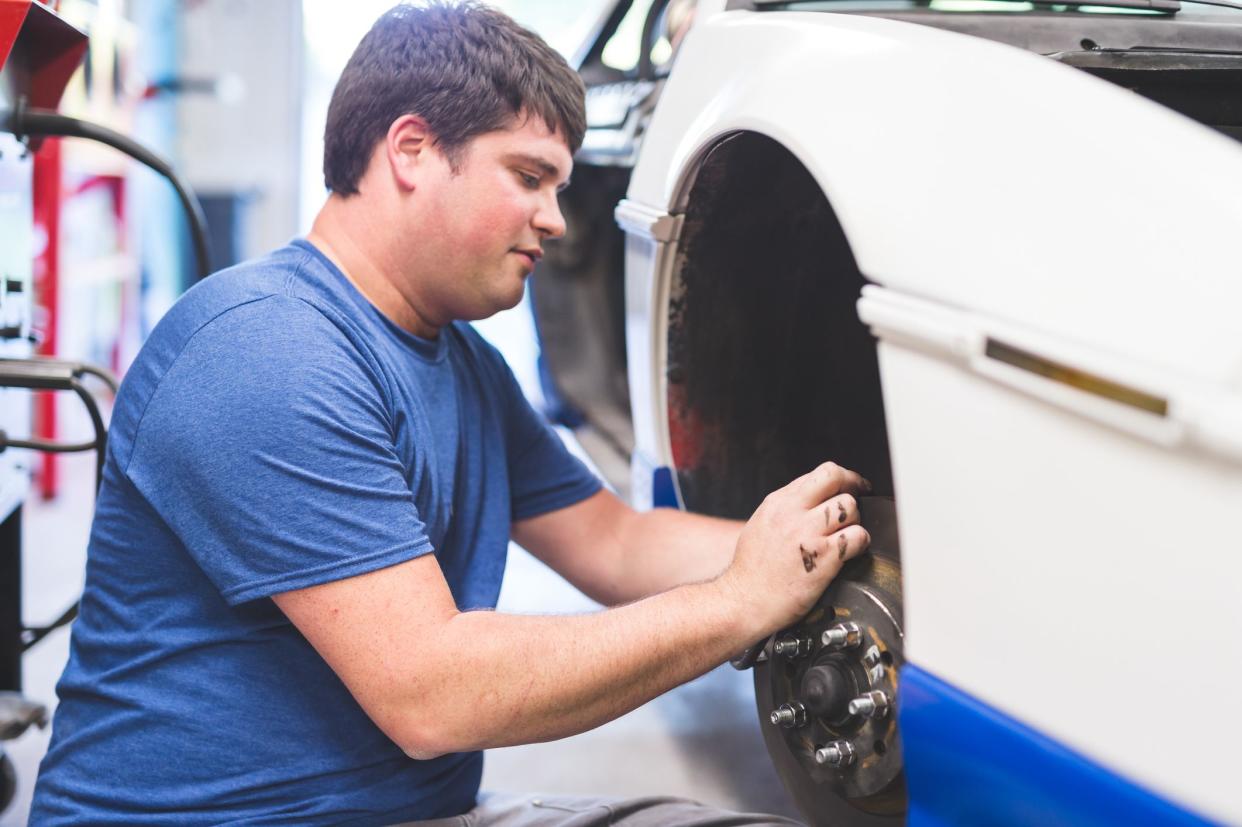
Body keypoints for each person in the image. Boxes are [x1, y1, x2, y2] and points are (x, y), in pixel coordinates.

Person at [30, 3, 871, 824]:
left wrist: (829, 543)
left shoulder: (459, 362)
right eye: (528, 176)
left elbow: (615, 543)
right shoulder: (266, 351)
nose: (555, 218)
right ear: (412, 151)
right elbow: (433, 691)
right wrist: (733, 604)